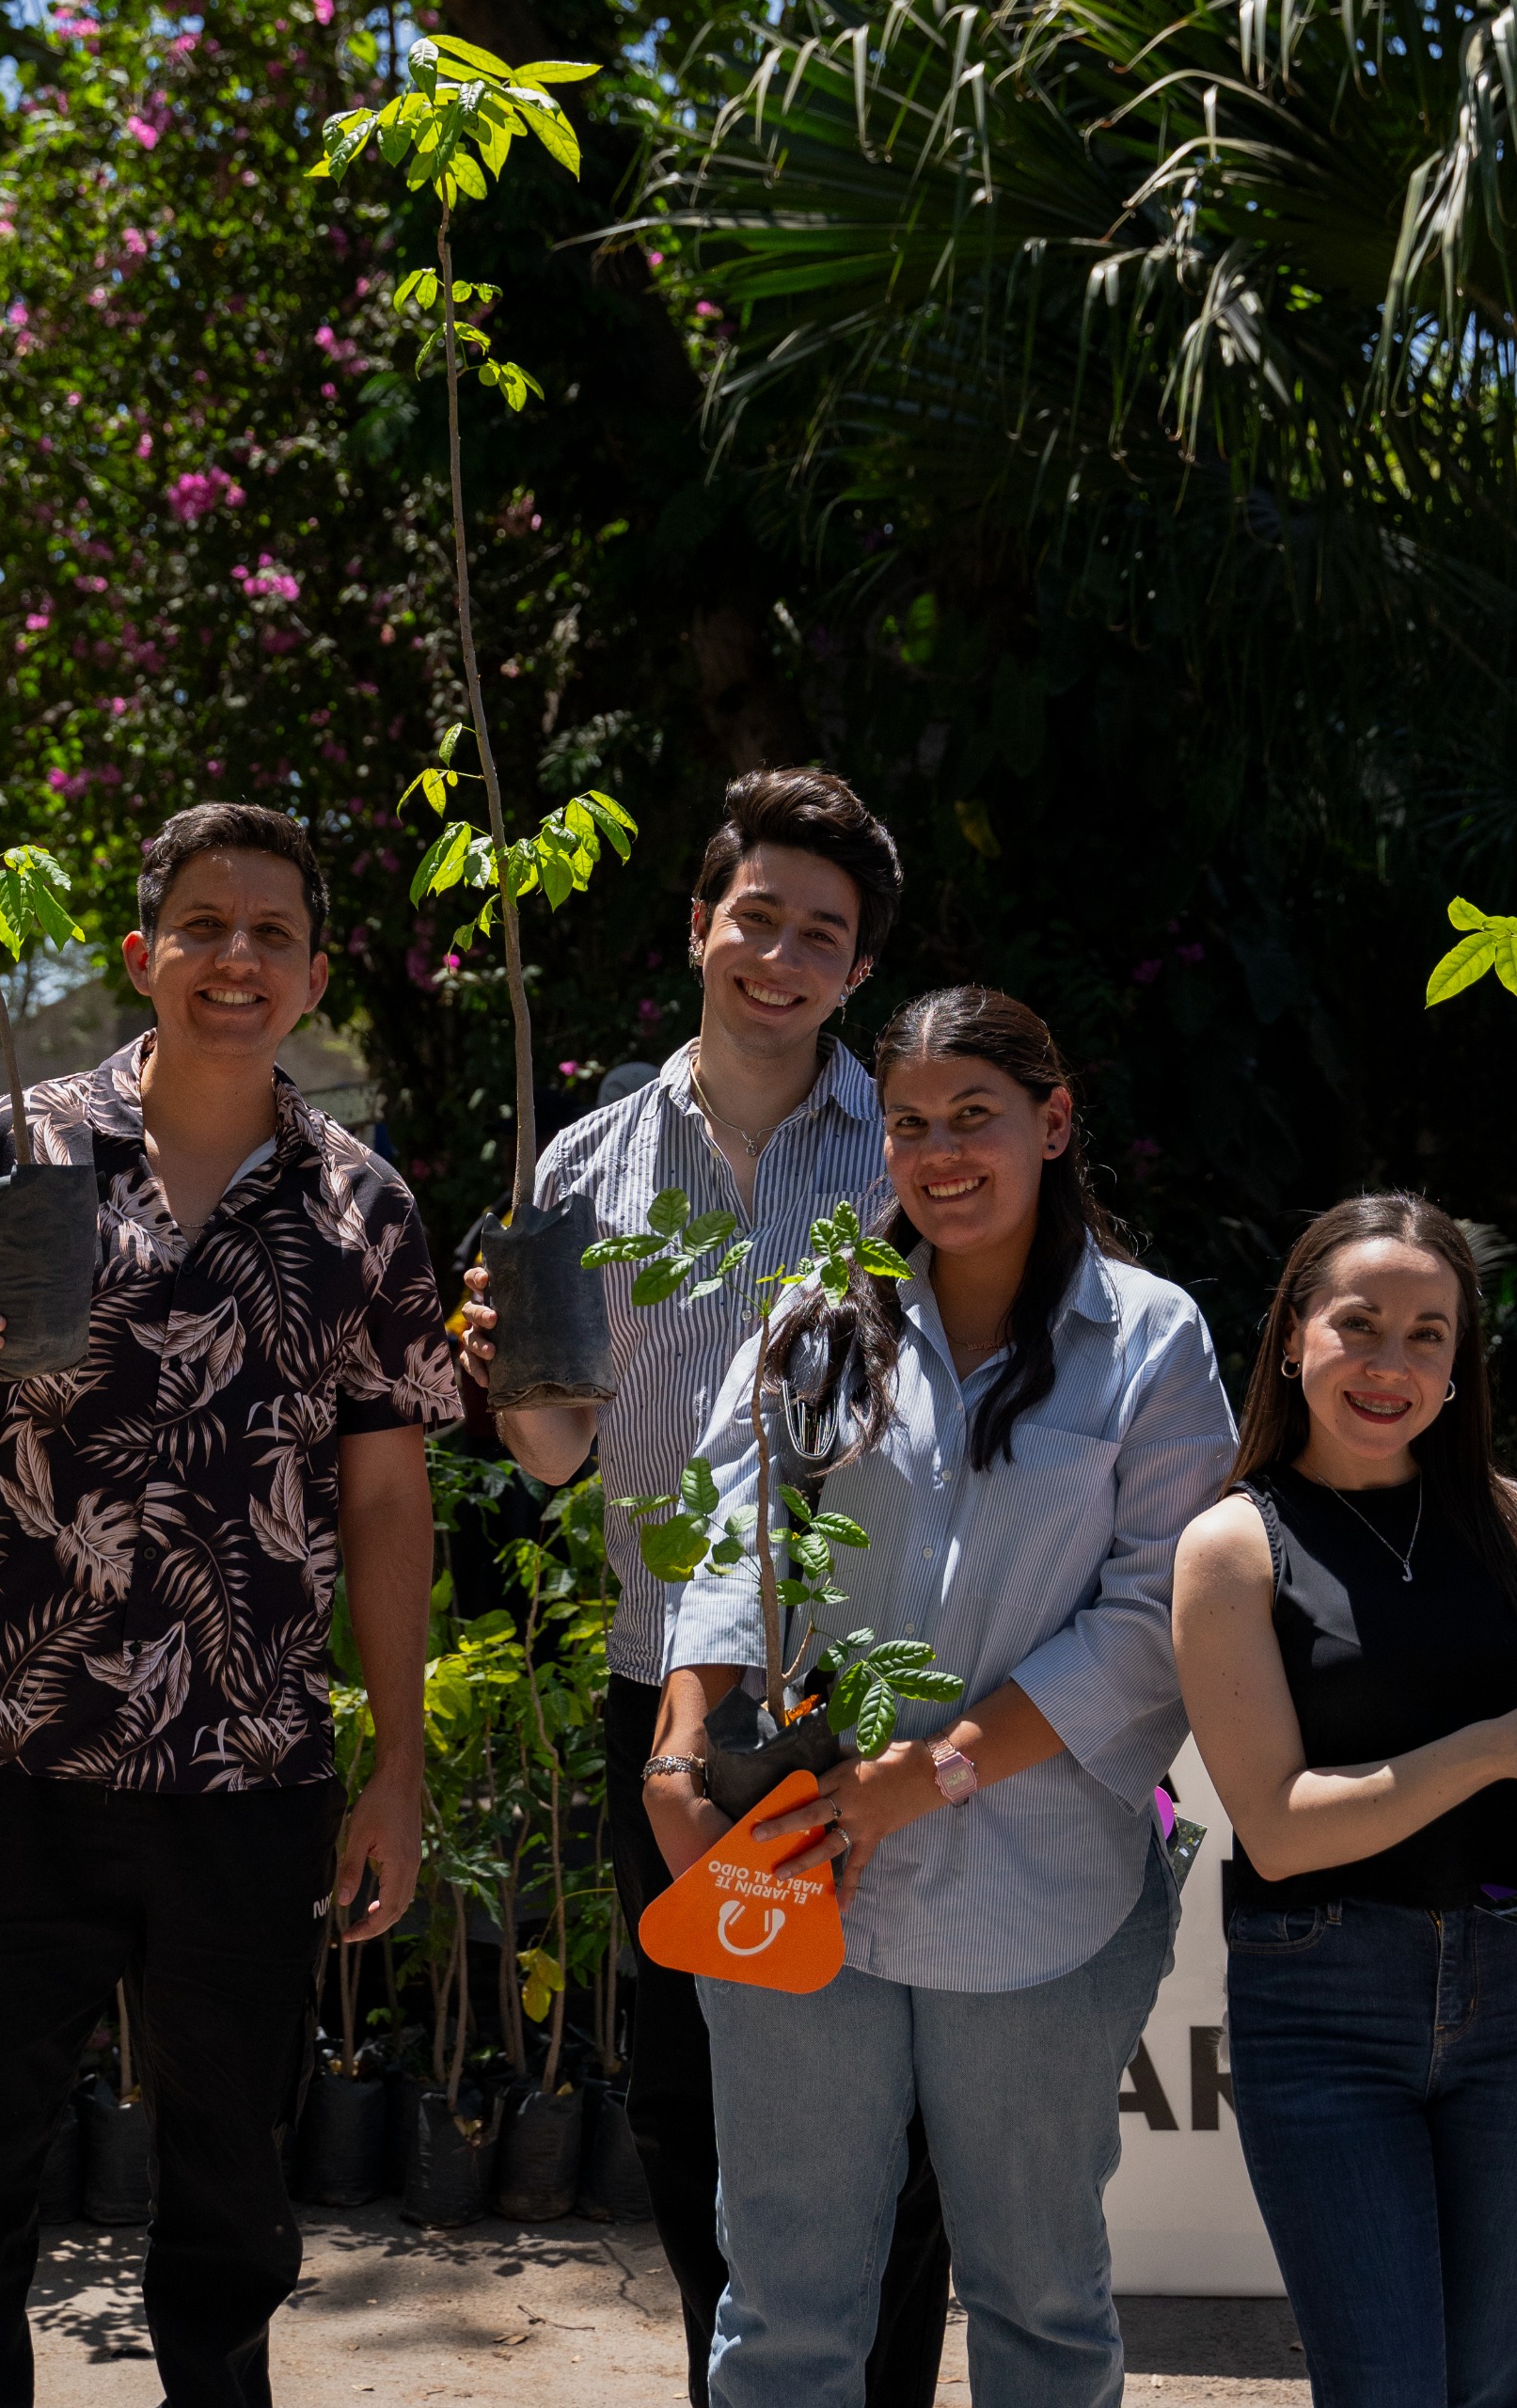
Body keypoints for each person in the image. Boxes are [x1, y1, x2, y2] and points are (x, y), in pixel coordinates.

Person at [0, 803, 458, 2408]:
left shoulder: (360, 1212)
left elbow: (389, 1501)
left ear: (315, 977)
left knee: (229, 2197)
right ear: (145, 954)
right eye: (204, 925)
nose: (235, 958)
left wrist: (396, 1761)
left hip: (245, 1777)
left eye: (270, 933)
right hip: (7, 1756)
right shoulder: (17, 1146)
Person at [649, 987, 1236, 2408]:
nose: (942, 1153)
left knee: (1037, 2299)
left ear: (1053, 1121)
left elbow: (1159, 1614)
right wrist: (679, 1749)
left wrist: (938, 1769)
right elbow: (732, 1545)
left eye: (976, 1117)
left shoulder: (1149, 1341)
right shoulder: (823, 1318)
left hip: (1038, 1897)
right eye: (911, 1123)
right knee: (783, 2308)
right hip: (795, 1878)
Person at [459, 769, 954, 2408]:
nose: (782, 954)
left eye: (823, 932)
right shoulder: (588, 1167)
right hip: (665, 1692)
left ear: (857, 968)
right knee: (691, 2081)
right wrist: (502, 1369)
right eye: (758, 917)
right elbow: (549, 1457)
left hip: (863, 1694)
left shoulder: (907, 1158)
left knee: (887, 2084)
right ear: (699, 927)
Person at [1172, 1195, 1517, 2408]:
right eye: (1359, 1324)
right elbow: (1283, 1832)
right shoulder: (1233, 1547)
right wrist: (1490, 1744)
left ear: (1461, 1363)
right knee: (1386, 2387)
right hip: (1326, 2002)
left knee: (1486, 2382)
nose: (1389, 1363)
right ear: (1293, 1336)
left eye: (1427, 1334)